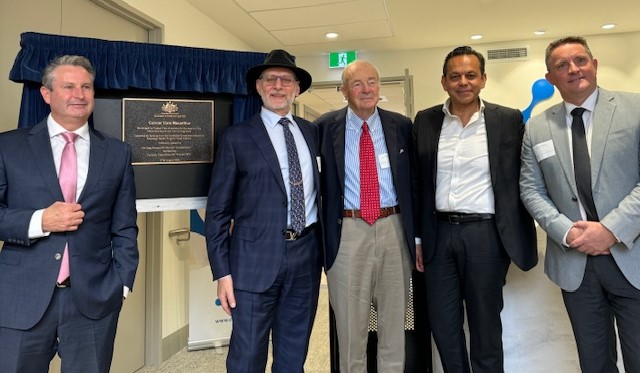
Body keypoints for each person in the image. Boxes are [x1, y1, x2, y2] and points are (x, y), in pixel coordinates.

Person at [0, 55, 139, 372]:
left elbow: (125, 226)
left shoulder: (117, 153)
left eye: (86, 86)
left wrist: (122, 282)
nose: (79, 94)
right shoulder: (8, 147)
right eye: (69, 86)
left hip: (94, 298)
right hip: (20, 297)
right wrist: (39, 221)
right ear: (46, 94)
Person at [413, 46, 537, 373]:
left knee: (485, 324)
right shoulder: (425, 121)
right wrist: (417, 239)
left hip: (486, 235)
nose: (463, 82)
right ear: (443, 82)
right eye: (455, 76)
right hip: (438, 235)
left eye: (470, 75)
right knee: (443, 323)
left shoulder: (508, 120)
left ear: (483, 79)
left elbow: (521, 177)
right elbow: (416, 183)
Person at [520, 36, 640, 372]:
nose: (574, 69)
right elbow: (530, 189)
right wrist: (568, 233)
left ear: (595, 64)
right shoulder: (538, 127)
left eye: (580, 60)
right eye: (562, 65)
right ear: (550, 78)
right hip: (576, 263)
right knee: (594, 361)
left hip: (632, 256)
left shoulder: (635, 109)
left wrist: (611, 230)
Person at [205, 49, 322, 372]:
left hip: (305, 257)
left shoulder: (311, 133)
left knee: (293, 354)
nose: (278, 86)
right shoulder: (236, 138)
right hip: (251, 264)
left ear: (297, 88)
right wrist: (222, 272)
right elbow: (217, 212)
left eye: (286, 80)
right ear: (258, 86)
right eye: (270, 79)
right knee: (247, 356)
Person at [316, 60, 419, 372]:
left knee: (393, 322)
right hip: (347, 231)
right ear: (345, 90)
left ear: (380, 87)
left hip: (393, 228)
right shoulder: (323, 127)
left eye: (371, 82)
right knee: (350, 327)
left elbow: (414, 183)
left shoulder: (401, 126)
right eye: (357, 84)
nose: (366, 89)